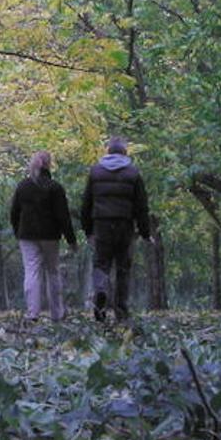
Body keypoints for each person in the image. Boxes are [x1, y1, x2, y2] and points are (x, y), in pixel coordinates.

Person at [81, 136, 151, 323]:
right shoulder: (133, 173)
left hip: (102, 224)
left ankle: (101, 295)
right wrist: (145, 232)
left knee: (101, 264)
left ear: (108, 151)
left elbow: (86, 203)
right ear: (125, 152)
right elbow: (141, 206)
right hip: (125, 226)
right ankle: (121, 311)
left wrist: (88, 230)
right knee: (123, 268)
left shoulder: (95, 172)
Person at [9, 150, 77, 321]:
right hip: (50, 236)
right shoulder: (55, 188)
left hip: (27, 235)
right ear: (49, 164)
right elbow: (63, 216)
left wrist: (18, 231)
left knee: (31, 271)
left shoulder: (23, 186)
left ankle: (33, 313)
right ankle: (57, 313)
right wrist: (71, 240)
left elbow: (14, 213)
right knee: (53, 272)